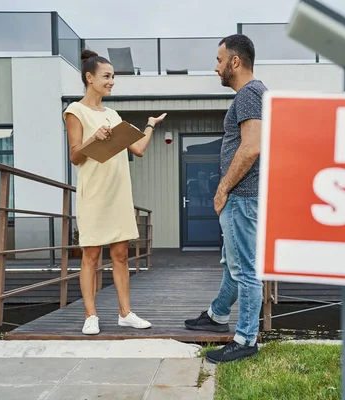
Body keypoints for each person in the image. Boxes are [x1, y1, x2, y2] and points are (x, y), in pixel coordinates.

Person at [64, 49, 167, 335]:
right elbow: (75, 156)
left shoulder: (113, 113)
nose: (112, 82)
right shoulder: (75, 111)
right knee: (91, 256)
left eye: (113, 77)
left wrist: (149, 124)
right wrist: (93, 139)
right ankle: (91, 315)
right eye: (107, 76)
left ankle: (125, 313)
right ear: (90, 78)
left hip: (119, 192)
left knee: (121, 254)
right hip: (94, 193)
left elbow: (139, 149)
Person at [184, 34, 267, 363]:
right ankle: (217, 314)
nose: (216, 67)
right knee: (232, 266)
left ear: (235, 61)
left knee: (246, 269)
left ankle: (246, 339)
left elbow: (251, 147)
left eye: (220, 60)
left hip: (243, 198)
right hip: (242, 198)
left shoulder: (249, 94)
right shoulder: (254, 94)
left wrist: (222, 190)